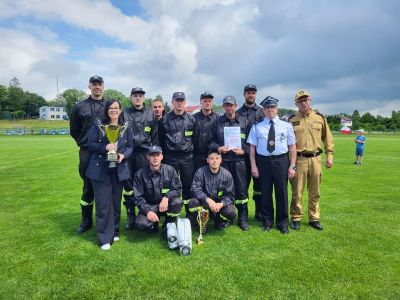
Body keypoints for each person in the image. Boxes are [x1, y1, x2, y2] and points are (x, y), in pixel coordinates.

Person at [85, 99, 133, 250]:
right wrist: (105, 146)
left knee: (115, 201)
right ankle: (105, 237)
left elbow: (131, 146)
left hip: (118, 169)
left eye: (116, 108)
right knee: (103, 204)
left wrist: (123, 155)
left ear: (120, 110)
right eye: (111, 108)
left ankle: (115, 230)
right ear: (107, 110)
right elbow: (90, 144)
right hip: (100, 170)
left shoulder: (126, 127)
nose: (113, 110)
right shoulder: (98, 125)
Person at [247, 96, 297, 234]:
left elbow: (292, 147)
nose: (270, 110)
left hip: (281, 161)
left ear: (277, 109)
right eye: (267, 108)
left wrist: (292, 166)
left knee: (282, 192)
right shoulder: (257, 126)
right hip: (263, 161)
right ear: (263, 110)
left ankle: (282, 223)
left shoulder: (286, 126)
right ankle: (267, 221)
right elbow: (252, 148)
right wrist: (253, 166)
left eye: (273, 107)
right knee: (265, 193)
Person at [289, 90, 334, 231]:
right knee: (297, 191)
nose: (303, 103)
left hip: (316, 159)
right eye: (300, 101)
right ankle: (296, 217)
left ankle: (314, 218)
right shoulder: (291, 120)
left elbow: (328, 138)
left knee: (315, 191)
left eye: (306, 100)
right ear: (296, 103)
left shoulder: (320, 118)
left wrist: (330, 156)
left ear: (310, 100)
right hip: (299, 160)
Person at [70, 75, 105, 234]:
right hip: (87, 152)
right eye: (94, 84)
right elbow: (74, 131)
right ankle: (86, 221)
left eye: (99, 84)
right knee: (87, 187)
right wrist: (84, 142)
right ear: (89, 86)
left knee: (105, 186)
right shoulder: (79, 107)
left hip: (105, 151)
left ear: (103, 86)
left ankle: (105, 221)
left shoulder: (109, 105)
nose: (97, 87)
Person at [210, 95, 251, 231]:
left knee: (241, 191)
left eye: (231, 105)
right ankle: (227, 217)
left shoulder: (245, 122)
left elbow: (251, 143)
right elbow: (211, 141)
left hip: (240, 162)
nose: (229, 107)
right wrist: (218, 148)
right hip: (224, 163)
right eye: (226, 105)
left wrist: (244, 151)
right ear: (224, 107)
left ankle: (242, 218)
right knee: (225, 190)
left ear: (235, 105)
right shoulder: (217, 122)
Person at [122, 87, 159, 230]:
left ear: (144, 98)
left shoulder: (151, 115)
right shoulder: (124, 114)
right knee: (129, 186)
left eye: (140, 95)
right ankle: (131, 215)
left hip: (144, 154)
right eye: (135, 95)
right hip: (128, 155)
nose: (138, 98)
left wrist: (154, 155)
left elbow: (154, 137)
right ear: (130, 97)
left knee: (146, 183)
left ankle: (149, 214)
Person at [158, 92, 196, 215]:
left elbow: (194, 139)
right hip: (170, 157)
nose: (179, 103)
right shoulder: (164, 120)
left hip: (187, 158)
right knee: (169, 185)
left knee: (188, 186)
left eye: (182, 100)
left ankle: (189, 214)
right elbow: (161, 140)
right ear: (173, 102)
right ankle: (169, 214)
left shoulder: (191, 119)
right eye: (177, 100)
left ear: (185, 102)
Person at [133, 146, 183, 236]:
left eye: (158, 155)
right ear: (147, 157)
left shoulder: (170, 170)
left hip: (166, 205)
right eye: (152, 155)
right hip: (150, 206)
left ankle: (168, 224)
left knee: (177, 202)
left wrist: (166, 197)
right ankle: (153, 224)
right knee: (141, 224)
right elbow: (138, 197)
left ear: (162, 157)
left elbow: (177, 189)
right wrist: (148, 211)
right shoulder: (140, 174)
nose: (155, 158)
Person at [188, 149, 236, 232]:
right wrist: (208, 200)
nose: (214, 161)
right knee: (193, 202)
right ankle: (201, 222)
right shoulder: (200, 172)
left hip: (218, 205)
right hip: (205, 203)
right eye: (212, 158)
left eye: (217, 158)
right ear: (207, 160)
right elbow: (195, 189)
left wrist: (221, 204)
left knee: (231, 211)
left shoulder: (227, 174)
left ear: (221, 160)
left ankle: (218, 220)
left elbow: (230, 195)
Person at [237, 84, 264, 222]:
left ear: (256, 94)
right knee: (243, 187)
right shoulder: (238, 112)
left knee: (259, 186)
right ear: (244, 95)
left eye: (253, 92)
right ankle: (243, 214)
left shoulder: (262, 112)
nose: (251, 95)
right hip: (241, 156)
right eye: (248, 93)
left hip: (259, 155)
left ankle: (260, 212)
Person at [193, 92, 219, 170]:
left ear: (212, 102)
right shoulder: (193, 118)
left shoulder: (219, 119)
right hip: (196, 157)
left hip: (213, 157)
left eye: (209, 101)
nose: (207, 103)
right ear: (200, 102)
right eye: (205, 101)